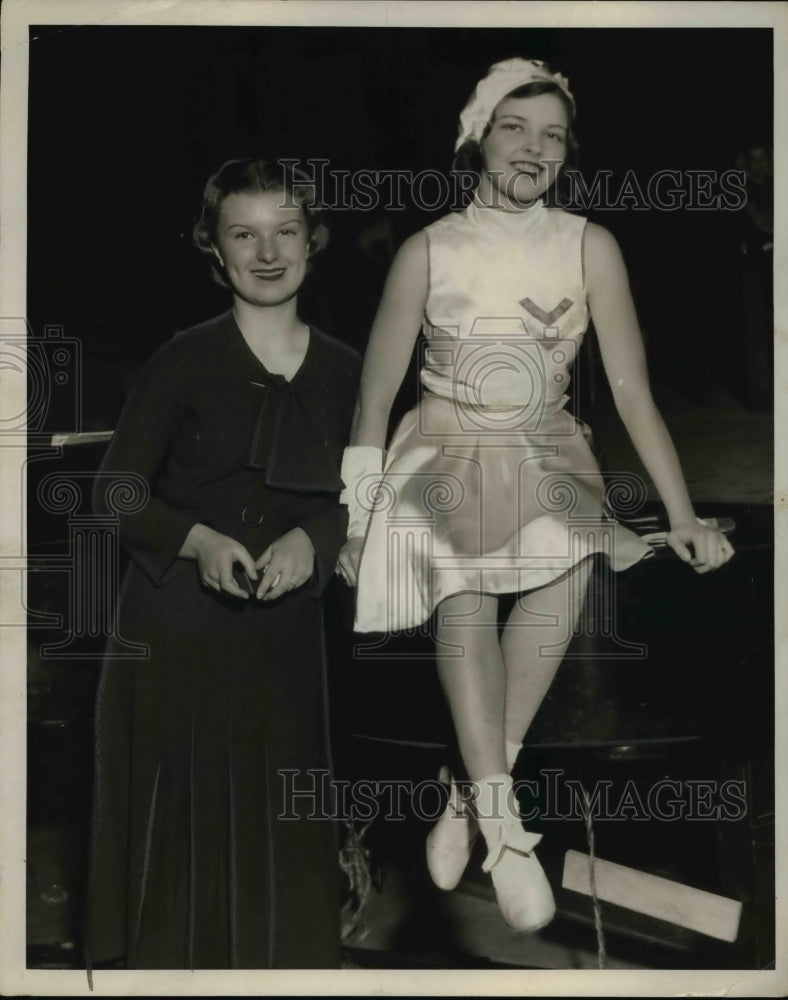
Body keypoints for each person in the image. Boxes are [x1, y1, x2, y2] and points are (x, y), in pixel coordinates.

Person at [336, 58, 734, 933]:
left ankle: (475, 790)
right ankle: (508, 837)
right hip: (443, 444)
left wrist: (680, 517)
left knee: (573, 564)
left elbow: (631, 392)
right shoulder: (427, 249)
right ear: (479, 137)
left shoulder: (590, 244)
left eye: (553, 134)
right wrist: (361, 514)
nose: (535, 148)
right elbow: (374, 396)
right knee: (465, 586)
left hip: (545, 446)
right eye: (517, 127)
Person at [86, 158, 360, 969]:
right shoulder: (182, 358)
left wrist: (315, 540)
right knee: (176, 856)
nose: (267, 252)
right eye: (245, 234)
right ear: (215, 249)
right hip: (172, 636)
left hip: (284, 648)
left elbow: (379, 493)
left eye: (286, 231)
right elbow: (115, 493)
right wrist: (198, 542)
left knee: (280, 832)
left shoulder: (352, 370)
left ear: (314, 241)